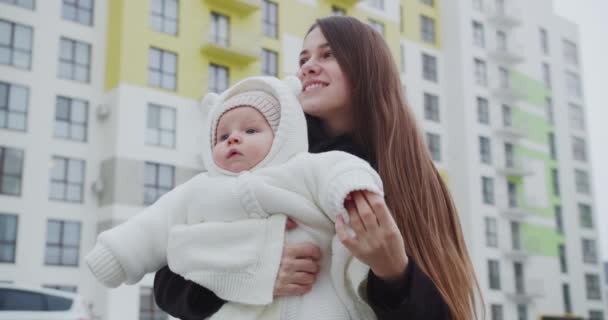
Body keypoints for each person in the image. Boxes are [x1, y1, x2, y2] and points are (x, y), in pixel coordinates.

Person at [154, 16, 482, 320]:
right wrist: (249, 272)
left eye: (327, 55)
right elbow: (168, 284)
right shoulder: (260, 158)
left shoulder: (413, 179)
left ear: (368, 68)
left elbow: (445, 309)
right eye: (303, 59)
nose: (309, 67)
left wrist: (395, 273)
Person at [85, 75, 383, 320]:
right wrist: (116, 254)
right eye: (222, 136)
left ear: (282, 136)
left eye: (251, 129)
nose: (234, 138)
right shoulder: (199, 190)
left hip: (315, 297)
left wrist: (353, 186)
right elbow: (152, 226)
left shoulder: (301, 168)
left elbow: (339, 169)